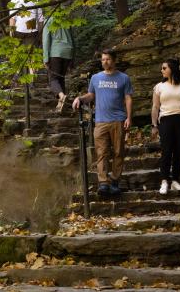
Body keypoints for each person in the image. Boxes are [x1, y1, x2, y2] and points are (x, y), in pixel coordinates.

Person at [72, 49, 133, 197]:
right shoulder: (95, 78)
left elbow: (128, 98)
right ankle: (103, 183)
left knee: (118, 152)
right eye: (103, 60)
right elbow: (91, 95)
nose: (105, 62)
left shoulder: (123, 78)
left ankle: (115, 181)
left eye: (108, 59)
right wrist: (79, 99)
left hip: (118, 119)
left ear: (114, 60)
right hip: (100, 121)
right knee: (101, 153)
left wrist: (129, 118)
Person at [150, 57, 180, 194]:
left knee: (179, 151)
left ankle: (175, 180)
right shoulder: (159, 87)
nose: (162, 70)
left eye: (164, 68)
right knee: (166, 150)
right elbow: (155, 107)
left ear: (172, 69)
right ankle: (164, 181)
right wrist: (154, 124)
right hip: (166, 120)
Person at [8, 0, 43, 75]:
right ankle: (32, 78)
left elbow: (12, 18)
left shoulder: (14, 1)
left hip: (18, 29)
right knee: (32, 54)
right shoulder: (34, 1)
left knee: (18, 52)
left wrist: (11, 34)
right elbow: (40, 20)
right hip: (31, 28)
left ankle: (18, 73)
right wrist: (39, 33)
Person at [42, 16, 75, 111]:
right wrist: (73, 58)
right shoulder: (67, 19)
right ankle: (60, 105)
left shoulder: (48, 20)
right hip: (68, 51)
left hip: (56, 52)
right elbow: (72, 39)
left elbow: (46, 40)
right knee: (61, 78)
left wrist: (45, 58)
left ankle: (62, 96)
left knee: (53, 79)